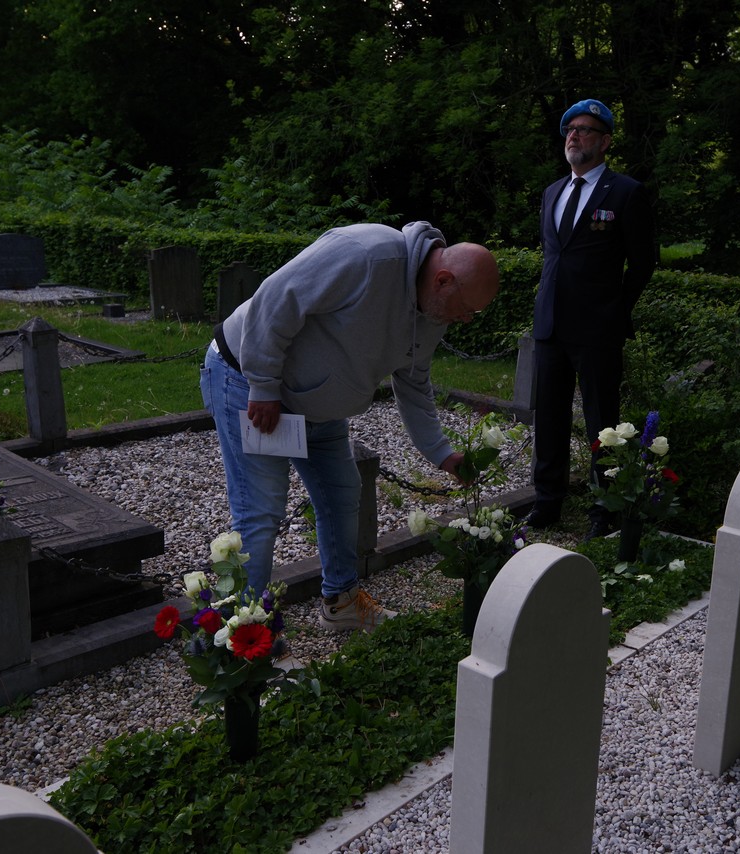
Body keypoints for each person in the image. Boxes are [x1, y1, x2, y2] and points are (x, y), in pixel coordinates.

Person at [202, 222, 499, 632]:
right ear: (443, 280)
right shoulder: (365, 254)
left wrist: (442, 453)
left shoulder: (432, 312)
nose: (465, 319)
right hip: (248, 380)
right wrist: (264, 385)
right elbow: (278, 297)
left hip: (319, 406)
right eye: (467, 309)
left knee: (342, 494)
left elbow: (413, 382)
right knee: (261, 512)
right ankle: (247, 634)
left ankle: (340, 602)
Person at [530, 98, 657, 538]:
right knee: (549, 417)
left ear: (604, 142)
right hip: (550, 325)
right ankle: (547, 502)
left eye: (584, 130)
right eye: (570, 130)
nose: (574, 136)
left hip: (597, 328)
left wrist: (616, 310)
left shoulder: (625, 192)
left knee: (603, 422)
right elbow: (555, 256)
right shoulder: (553, 192)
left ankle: (604, 509)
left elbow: (643, 261)